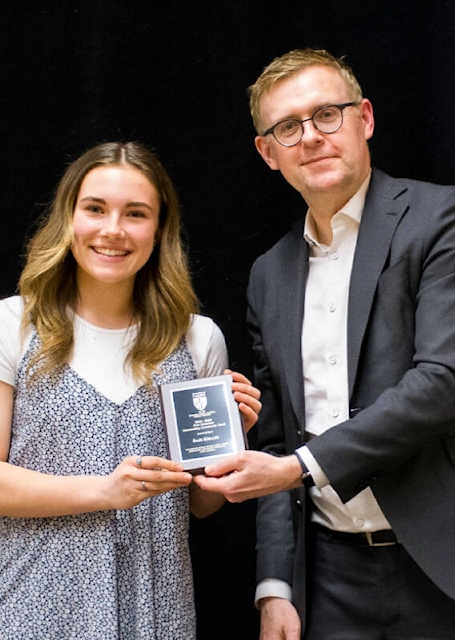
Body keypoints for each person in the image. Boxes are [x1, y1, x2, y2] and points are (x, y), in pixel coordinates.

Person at [194, 49, 455, 638]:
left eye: (327, 115)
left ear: (364, 118)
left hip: (440, 563)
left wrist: (297, 470)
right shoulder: (269, 273)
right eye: (288, 127)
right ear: (268, 152)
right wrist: (274, 588)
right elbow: (277, 435)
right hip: (328, 578)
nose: (310, 137)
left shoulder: (441, 219)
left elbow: (442, 382)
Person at [0, 141, 261, 639]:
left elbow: (200, 503)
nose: (113, 230)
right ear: (69, 218)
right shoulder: (6, 326)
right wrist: (104, 491)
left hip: (160, 614)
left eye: (135, 213)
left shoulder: (197, 338)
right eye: (95, 209)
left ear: (159, 229)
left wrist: (229, 447)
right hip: (37, 614)